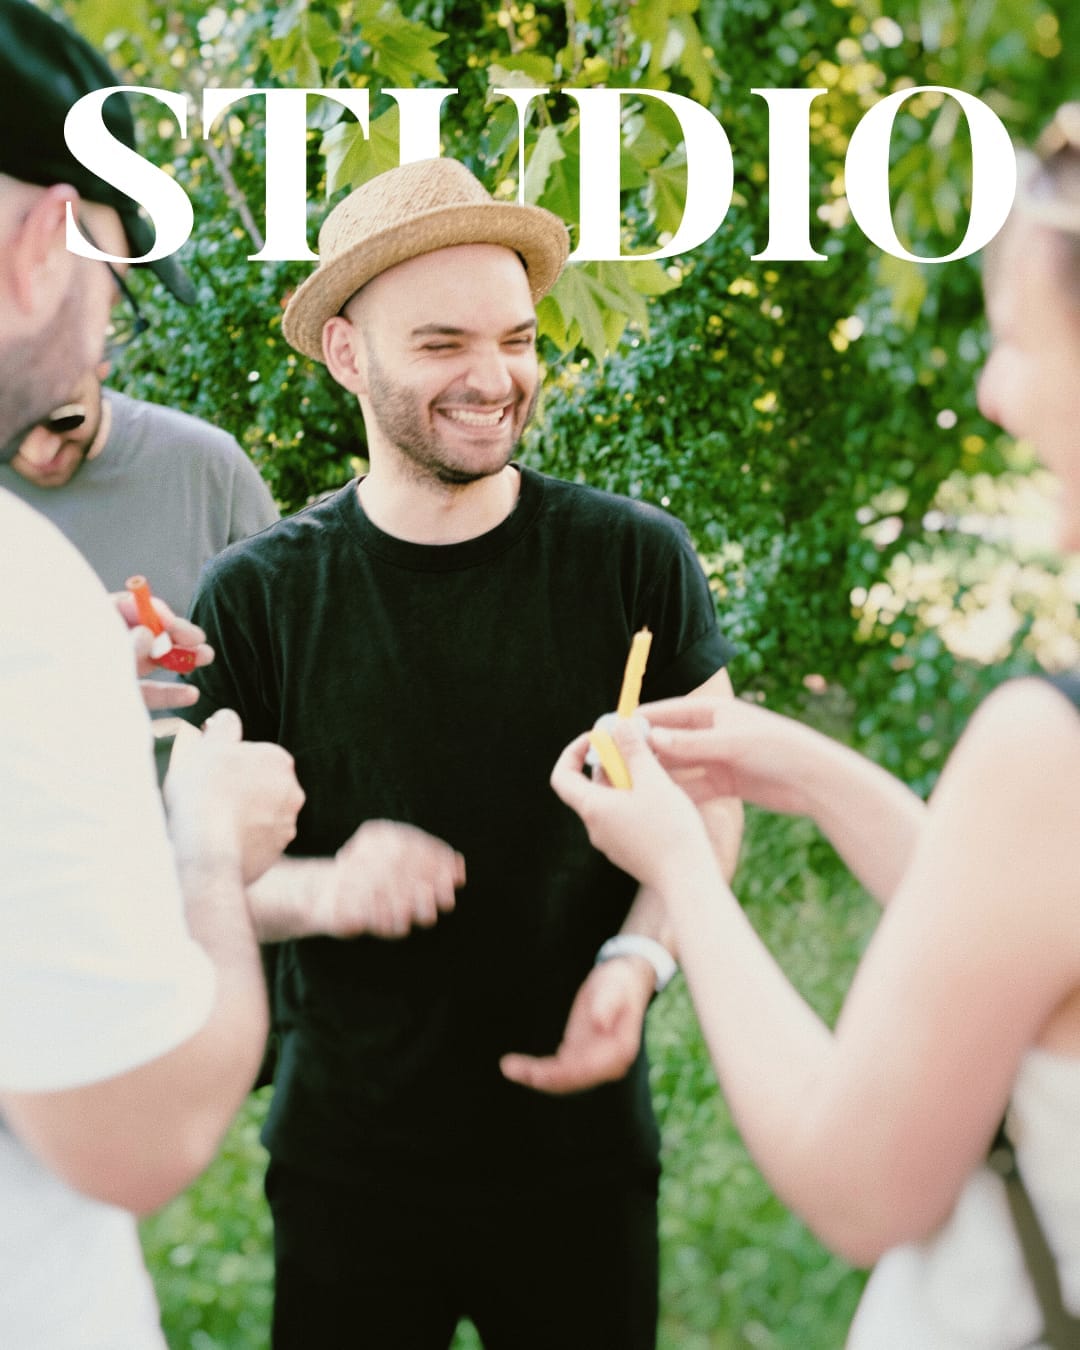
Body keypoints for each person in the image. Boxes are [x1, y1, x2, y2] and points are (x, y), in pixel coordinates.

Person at [182, 156, 742, 1349]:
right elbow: (196, 871)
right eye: (441, 344)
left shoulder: (631, 563)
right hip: (350, 1162)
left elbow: (711, 806)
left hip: (580, 1154)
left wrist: (637, 964)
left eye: (516, 338)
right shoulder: (256, 599)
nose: (495, 380)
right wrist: (327, 890)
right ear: (346, 354)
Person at [547, 107, 1080, 1348]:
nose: (995, 391)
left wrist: (682, 866)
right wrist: (821, 775)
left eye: (1014, 339)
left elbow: (860, 1186)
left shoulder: (1041, 754)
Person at [0, 2, 305, 1345]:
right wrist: (204, 844)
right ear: (34, 249)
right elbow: (140, 1129)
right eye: (111, 279)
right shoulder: (22, 596)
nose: (104, 331)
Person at [0, 364, 279, 709]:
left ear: (98, 361)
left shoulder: (208, 463)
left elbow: (288, 644)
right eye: (8, 426)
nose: (39, 451)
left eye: (64, 418)